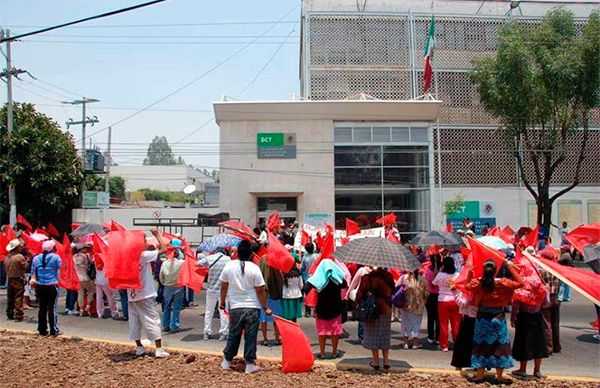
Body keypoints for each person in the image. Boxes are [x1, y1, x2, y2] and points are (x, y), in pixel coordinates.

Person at [466, 260, 524, 385]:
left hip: (482, 318)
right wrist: (510, 268)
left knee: (481, 345)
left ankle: (479, 375)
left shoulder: (479, 282)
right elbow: (521, 283)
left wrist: (470, 271)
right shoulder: (503, 283)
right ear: (496, 270)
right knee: (500, 346)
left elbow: (467, 286)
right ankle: (499, 376)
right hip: (498, 317)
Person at [219, 239, 270, 374]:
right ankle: (249, 364)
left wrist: (222, 302)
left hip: (235, 306)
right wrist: (265, 307)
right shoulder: (254, 268)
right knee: (250, 336)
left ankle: (227, 361)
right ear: (251, 254)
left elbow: (224, 286)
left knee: (233, 335)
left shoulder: (229, 266)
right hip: (252, 307)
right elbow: (260, 290)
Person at [128, 228, 169, 358]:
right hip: (144, 293)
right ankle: (159, 349)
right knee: (153, 319)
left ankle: (139, 347)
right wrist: (157, 235)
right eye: (144, 241)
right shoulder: (143, 255)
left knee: (135, 321)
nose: (146, 243)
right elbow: (164, 250)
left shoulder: (127, 256)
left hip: (132, 293)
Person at [304, 258, 347, 360]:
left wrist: (312, 278)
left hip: (321, 309)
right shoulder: (337, 279)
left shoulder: (318, 278)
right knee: (335, 332)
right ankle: (334, 353)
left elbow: (305, 289)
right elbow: (345, 284)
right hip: (336, 309)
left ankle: (322, 353)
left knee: (322, 332)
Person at [356, 267, 395, 371]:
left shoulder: (366, 278)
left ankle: (376, 361)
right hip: (386, 308)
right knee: (385, 333)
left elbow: (359, 294)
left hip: (371, 309)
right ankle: (386, 361)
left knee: (372, 333)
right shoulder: (388, 276)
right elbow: (392, 290)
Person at [510, 296, 549, 380]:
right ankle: (537, 370)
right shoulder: (541, 287)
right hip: (537, 316)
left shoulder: (522, 288)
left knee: (524, 342)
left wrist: (512, 318)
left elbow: (515, 305)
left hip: (524, 317)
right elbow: (546, 303)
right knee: (538, 343)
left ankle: (522, 369)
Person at [30, 240, 62, 336]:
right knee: (52, 308)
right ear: (52, 249)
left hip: (40, 286)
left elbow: (33, 271)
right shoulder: (56, 257)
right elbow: (63, 268)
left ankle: (42, 330)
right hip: (52, 286)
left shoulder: (36, 258)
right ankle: (53, 329)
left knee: (42, 308)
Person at [198, 247, 231, 340]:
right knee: (224, 312)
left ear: (216, 251)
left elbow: (198, 263)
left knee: (209, 311)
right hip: (224, 290)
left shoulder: (210, 258)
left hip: (211, 289)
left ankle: (206, 332)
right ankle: (224, 333)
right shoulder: (228, 259)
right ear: (224, 252)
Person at [432, 256, 461, 352]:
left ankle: (444, 345)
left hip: (442, 301)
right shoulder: (457, 275)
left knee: (443, 324)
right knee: (456, 323)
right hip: (455, 300)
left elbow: (434, 283)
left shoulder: (440, 275)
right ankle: (457, 342)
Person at [397, 268, 428, 349]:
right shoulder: (423, 279)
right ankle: (415, 343)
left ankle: (405, 343)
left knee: (405, 323)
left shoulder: (403, 278)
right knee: (416, 324)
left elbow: (396, 288)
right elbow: (427, 293)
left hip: (405, 304)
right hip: (418, 305)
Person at [159, 239, 185, 333]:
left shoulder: (164, 264)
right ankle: (174, 325)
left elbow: (161, 277)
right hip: (178, 286)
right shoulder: (180, 263)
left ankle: (165, 325)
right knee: (176, 308)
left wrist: (164, 283)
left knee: (167, 307)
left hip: (167, 286)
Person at [258, 252, 283, 346]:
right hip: (274, 293)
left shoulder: (262, 259)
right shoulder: (275, 260)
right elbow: (279, 279)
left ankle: (265, 339)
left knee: (263, 318)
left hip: (264, 293)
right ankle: (277, 338)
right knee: (276, 318)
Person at [450, 290, 477, 370]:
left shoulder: (470, 290)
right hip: (474, 317)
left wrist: (454, 292)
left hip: (469, 317)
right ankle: (477, 367)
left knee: (462, 343)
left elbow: (463, 303)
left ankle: (459, 366)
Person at [346, 265, 372, 344]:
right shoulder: (377, 272)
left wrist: (347, 294)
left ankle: (362, 337)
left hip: (362, 296)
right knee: (370, 315)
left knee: (362, 315)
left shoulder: (362, 270)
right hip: (372, 296)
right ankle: (369, 336)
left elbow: (354, 282)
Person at [540, 267, 562, 355]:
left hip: (547, 298)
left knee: (546, 323)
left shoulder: (543, 271)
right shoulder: (557, 270)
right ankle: (557, 346)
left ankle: (549, 347)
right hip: (556, 297)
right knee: (555, 324)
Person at [5, 239, 27, 321]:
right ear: (17, 247)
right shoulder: (19, 257)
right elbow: (25, 267)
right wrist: (28, 260)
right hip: (17, 278)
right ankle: (19, 315)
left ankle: (10, 313)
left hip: (10, 278)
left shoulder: (7, 257)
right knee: (18, 296)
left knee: (10, 296)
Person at [73, 244, 95, 317]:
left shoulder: (74, 257)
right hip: (84, 276)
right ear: (81, 249)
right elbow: (88, 266)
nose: (86, 249)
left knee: (80, 293)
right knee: (91, 290)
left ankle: (81, 310)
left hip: (77, 277)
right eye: (85, 248)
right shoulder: (85, 256)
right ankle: (88, 306)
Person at [424, 254, 442, 344]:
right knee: (438, 317)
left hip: (431, 296)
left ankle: (431, 336)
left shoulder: (428, 270)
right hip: (439, 296)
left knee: (431, 317)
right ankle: (437, 336)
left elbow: (427, 281)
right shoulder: (443, 270)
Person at [300, 242, 318, 317]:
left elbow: (302, 268)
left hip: (307, 278)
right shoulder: (317, 256)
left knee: (307, 294)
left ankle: (307, 311)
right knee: (316, 294)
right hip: (316, 277)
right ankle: (315, 312)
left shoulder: (305, 257)